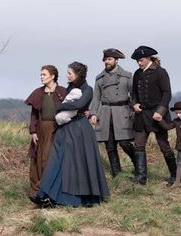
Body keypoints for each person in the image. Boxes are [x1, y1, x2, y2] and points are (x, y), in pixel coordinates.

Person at [30, 61, 110, 208]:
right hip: (65, 129)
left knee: (78, 164)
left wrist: (60, 106)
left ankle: (75, 198)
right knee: (57, 161)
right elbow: (71, 104)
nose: (67, 76)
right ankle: (45, 194)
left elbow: (78, 105)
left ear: (77, 74)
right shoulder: (70, 88)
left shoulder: (88, 89)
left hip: (79, 129)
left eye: (70, 73)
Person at [130, 46, 177, 185]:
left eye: (141, 60)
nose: (139, 63)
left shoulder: (160, 72)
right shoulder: (137, 74)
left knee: (164, 146)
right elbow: (133, 94)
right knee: (138, 145)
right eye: (138, 61)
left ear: (149, 58)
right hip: (141, 115)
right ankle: (141, 177)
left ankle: (175, 176)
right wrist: (134, 104)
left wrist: (160, 112)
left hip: (157, 115)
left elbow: (167, 94)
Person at [90, 48, 135, 177]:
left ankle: (138, 165)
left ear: (116, 60)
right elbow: (96, 97)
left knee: (125, 143)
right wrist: (93, 113)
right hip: (105, 113)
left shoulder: (127, 76)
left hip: (122, 112)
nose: (107, 62)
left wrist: (134, 110)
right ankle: (117, 174)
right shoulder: (99, 78)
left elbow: (133, 95)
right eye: (105, 59)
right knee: (109, 145)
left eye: (109, 59)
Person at [25, 65, 67, 197]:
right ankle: (36, 190)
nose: (41, 77)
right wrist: (33, 131)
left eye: (44, 74)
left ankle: (48, 188)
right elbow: (34, 114)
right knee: (38, 158)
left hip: (56, 129)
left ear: (52, 76)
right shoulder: (38, 92)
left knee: (49, 157)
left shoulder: (63, 92)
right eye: (41, 74)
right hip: (41, 129)